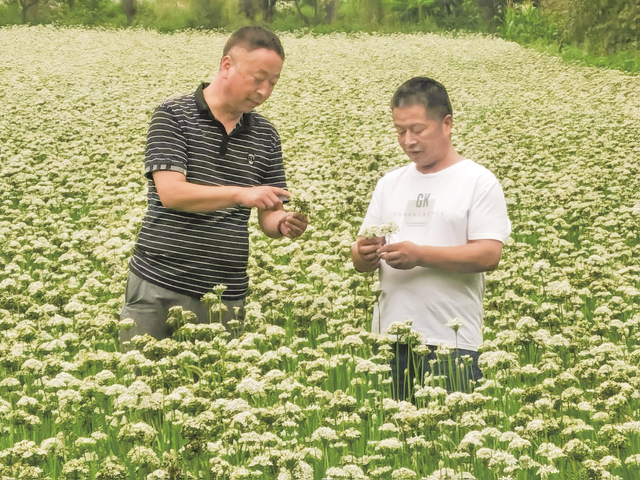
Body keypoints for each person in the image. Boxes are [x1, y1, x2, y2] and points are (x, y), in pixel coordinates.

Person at [120, 26, 308, 350]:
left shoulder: (266, 135)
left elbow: (269, 213)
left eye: (273, 83)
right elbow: (171, 194)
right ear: (227, 66)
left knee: (214, 394)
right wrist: (239, 193)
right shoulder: (173, 115)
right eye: (257, 78)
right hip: (159, 284)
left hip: (225, 295)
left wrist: (283, 224)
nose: (264, 91)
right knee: (144, 390)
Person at [351, 77, 511, 396]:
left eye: (417, 129)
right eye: (400, 131)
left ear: (446, 123)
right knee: (391, 441)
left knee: (450, 442)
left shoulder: (478, 181)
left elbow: (488, 255)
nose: (408, 140)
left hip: (452, 342)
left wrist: (420, 255)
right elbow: (360, 258)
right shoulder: (389, 183)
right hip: (390, 342)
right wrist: (364, 254)